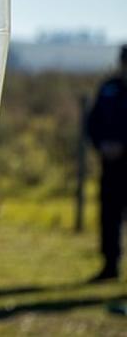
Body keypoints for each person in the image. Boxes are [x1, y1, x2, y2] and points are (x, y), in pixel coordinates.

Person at [87, 45, 127, 282]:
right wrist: (101, 145)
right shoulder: (108, 88)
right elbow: (93, 122)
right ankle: (110, 266)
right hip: (110, 166)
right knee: (109, 217)